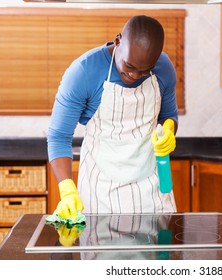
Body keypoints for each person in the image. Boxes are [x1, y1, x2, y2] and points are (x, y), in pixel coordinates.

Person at [47, 15, 178, 222]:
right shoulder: (84, 71)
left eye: (144, 71)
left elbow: (168, 116)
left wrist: (169, 130)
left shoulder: (164, 68)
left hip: (152, 192)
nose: (135, 75)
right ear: (118, 41)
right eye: (130, 66)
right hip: (100, 193)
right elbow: (58, 136)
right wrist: (67, 190)